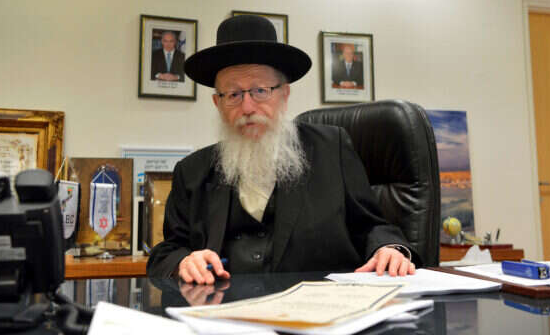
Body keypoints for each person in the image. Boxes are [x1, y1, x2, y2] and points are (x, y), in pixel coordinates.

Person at [146, 15, 417, 285]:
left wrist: (388, 249)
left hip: (319, 305)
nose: (247, 107)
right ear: (218, 104)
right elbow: (166, 252)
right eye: (233, 95)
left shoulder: (331, 148)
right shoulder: (191, 171)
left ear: (284, 95)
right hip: (225, 308)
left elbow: (372, 226)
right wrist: (183, 262)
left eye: (260, 91)